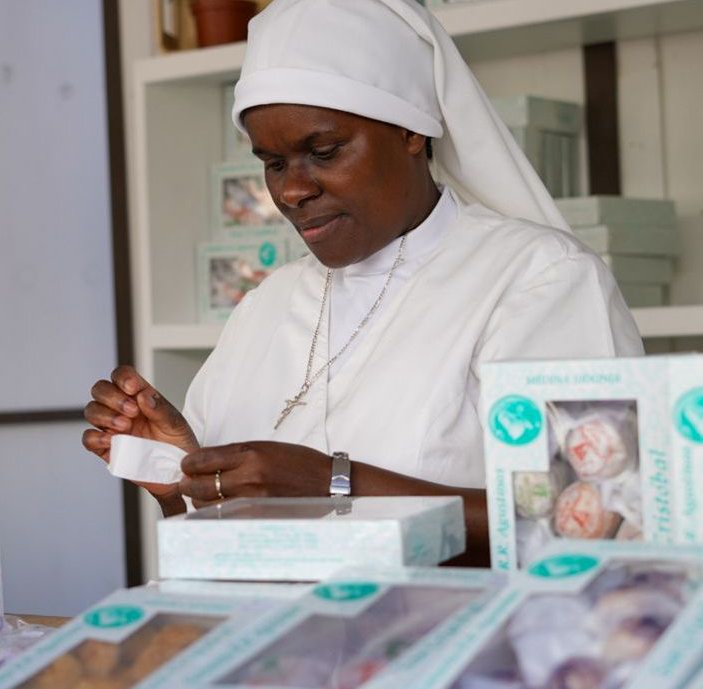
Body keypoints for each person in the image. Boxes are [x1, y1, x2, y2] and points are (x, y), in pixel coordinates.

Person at [83, 0, 642, 557]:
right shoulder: (268, 305)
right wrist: (182, 479)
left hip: (457, 639)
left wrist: (336, 483)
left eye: (323, 152)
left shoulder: (538, 280)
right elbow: (226, 540)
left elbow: (588, 519)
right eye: (272, 163)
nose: (292, 191)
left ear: (411, 132)